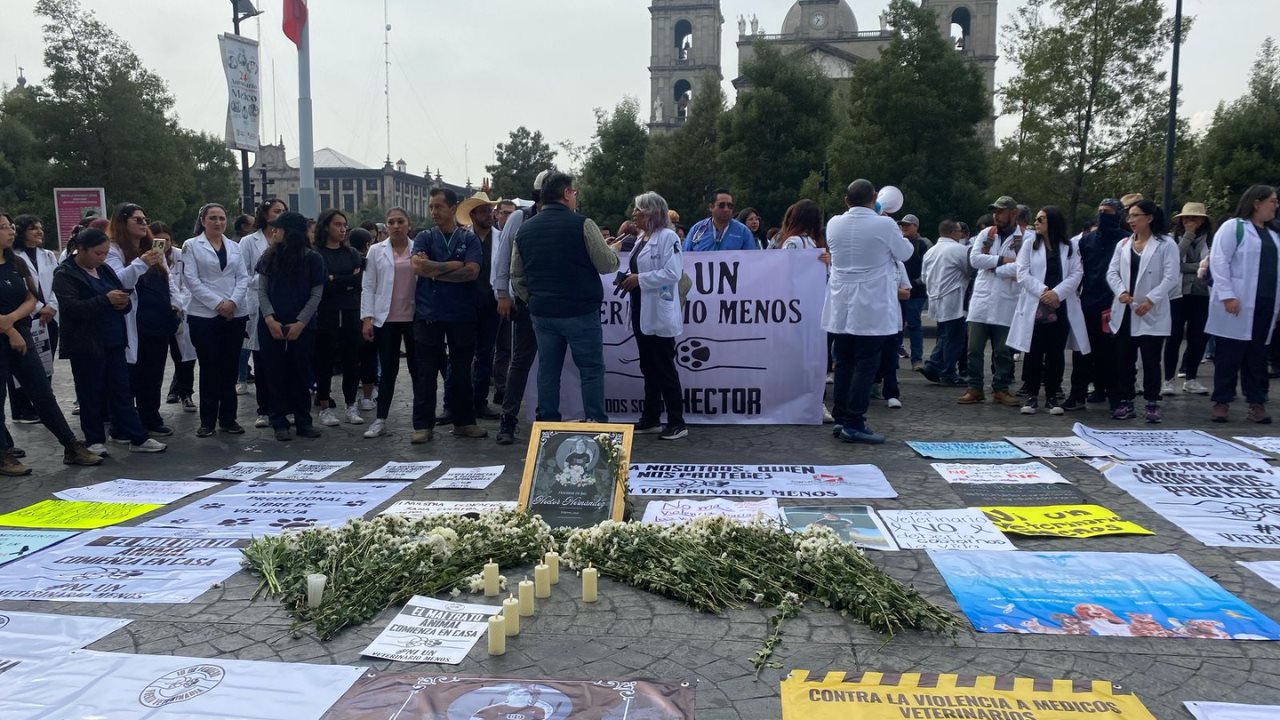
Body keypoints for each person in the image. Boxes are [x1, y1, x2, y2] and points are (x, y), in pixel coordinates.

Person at [511, 172, 619, 423]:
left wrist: (533, 299)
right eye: (574, 192)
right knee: (591, 370)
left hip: (543, 313)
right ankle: (596, 424)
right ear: (566, 194)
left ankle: (548, 424)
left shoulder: (525, 230)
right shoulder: (583, 224)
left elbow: (516, 276)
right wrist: (612, 251)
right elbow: (606, 265)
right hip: (580, 311)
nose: (575, 198)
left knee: (548, 372)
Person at [0, 213, 101, 472]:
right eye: (3, 228)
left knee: (42, 392)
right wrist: (9, 329)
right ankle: (3, 455)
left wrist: (11, 321)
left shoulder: (15, 263)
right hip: (10, 336)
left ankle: (70, 445)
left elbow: (31, 297)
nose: (10, 231)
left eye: (11, 227)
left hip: (22, 334)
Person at [52, 228, 167, 455]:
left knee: (121, 390)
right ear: (81, 249)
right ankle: (94, 439)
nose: (102, 258)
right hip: (86, 343)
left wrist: (124, 303)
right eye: (97, 253)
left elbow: (123, 295)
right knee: (91, 392)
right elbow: (72, 308)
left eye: (105, 253)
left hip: (113, 339)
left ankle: (137, 436)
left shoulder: (104, 270)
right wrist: (105, 300)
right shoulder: (65, 274)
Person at [821, 179, 914, 444]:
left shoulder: (834, 223)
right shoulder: (884, 224)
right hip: (870, 304)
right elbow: (905, 252)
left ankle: (840, 418)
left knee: (843, 363)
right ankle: (854, 422)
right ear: (874, 198)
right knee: (865, 364)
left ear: (845, 200)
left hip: (841, 304)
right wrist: (882, 218)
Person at [411, 188, 488, 441]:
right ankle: (423, 425)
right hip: (428, 312)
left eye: (438, 207)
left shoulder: (469, 239)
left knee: (462, 370)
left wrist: (434, 269)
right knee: (426, 371)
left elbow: (471, 272)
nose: (433, 212)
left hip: (462, 312)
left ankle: (464, 421)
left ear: (453, 209)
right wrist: (453, 266)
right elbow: (418, 268)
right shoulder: (424, 237)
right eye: (431, 206)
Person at [615, 191, 686, 440]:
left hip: (658, 309)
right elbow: (637, 267)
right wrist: (627, 277)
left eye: (639, 210)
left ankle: (677, 421)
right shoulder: (642, 238)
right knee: (648, 365)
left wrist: (640, 280)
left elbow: (673, 273)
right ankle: (651, 417)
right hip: (640, 308)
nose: (634, 214)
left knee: (664, 365)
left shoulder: (668, 237)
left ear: (652, 212)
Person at [1207, 185, 1280, 423]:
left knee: (1257, 355)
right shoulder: (1234, 227)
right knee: (1230, 353)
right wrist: (1227, 295)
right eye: (1272, 201)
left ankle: (1256, 402)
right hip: (1237, 301)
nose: (1276, 205)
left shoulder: (1274, 234)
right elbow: (1219, 261)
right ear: (1256, 203)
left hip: (1266, 302)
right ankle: (1222, 401)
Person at [1008, 206, 1089, 415]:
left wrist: (1057, 294)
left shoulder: (1070, 246)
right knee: (1034, 351)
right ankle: (1032, 395)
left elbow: (1076, 273)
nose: (1036, 222)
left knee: (1055, 353)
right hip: (1036, 304)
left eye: (1041, 219)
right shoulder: (1029, 245)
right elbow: (1022, 273)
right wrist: (1044, 292)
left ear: (1052, 222)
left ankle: (1052, 396)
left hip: (1060, 305)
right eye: (1036, 219)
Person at [106, 203, 178, 437]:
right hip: (133, 322)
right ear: (122, 222)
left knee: (153, 373)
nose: (143, 224)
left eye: (145, 219)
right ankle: (123, 424)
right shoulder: (113, 250)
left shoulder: (152, 247)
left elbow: (169, 281)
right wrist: (141, 263)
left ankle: (151, 417)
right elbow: (120, 280)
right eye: (137, 220)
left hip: (158, 319)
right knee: (130, 376)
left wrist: (176, 305)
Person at [1106, 199, 1179, 422]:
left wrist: (1151, 299)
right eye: (1129, 216)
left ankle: (1151, 402)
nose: (1131, 220)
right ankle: (1126, 401)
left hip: (1151, 310)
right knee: (1125, 360)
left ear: (1149, 218)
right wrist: (1120, 292)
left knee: (1150, 359)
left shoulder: (1166, 244)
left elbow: (1171, 277)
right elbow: (1112, 272)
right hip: (1126, 310)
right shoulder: (1123, 245)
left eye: (1136, 215)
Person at [181, 203, 250, 437]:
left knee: (229, 367)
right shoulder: (191, 246)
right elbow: (191, 280)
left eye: (221, 218)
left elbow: (243, 277)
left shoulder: (234, 246)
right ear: (203, 221)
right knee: (210, 367)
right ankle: (207, 420)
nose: (218, 222)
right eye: (213, 218)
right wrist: (218, 304)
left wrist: (232, 302)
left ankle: (229, 418)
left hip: (234, 313)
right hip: (204, 314)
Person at [257, 212, 326, 441]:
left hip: (302, 325)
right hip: (271, 323)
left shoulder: (312, 258)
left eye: (278, 228)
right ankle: (279, 421)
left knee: (300, 372)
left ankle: (303, 420)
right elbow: (262, 290)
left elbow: (316, 293)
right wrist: (269, 318)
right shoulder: (268, 256)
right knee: (274, 373)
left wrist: (300, 322)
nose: (273, 231)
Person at [492, 172, 548, 446]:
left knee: (551, 363)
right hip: (526, 300)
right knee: (520, 360)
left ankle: (546, 417)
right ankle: (508, 419)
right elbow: (503, 257)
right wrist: (502, 292)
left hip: (556, 302)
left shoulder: (569, 216)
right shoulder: (519, 218)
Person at [961, 196, 1031, 407]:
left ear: (1012, 213)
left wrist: (993, 267)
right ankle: (975, 388)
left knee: (1003, 351)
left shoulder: (1027, 238)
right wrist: (1001, 261)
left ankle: (1001, 388)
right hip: (981, 301)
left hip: (1006, 300)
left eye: (1001, 212)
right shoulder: (986, 233)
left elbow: (1022, 267)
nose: (996, 215)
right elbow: (974, 260)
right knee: (973, 348)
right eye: (995, 211)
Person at [361, 207, 418, 439]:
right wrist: (367, 318)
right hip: (386, 318)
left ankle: (421, 420)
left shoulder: (420, 248)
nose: (396, 226)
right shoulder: (375, 251)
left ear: (408, 224)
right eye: (391, 222)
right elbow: (368, 285)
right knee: (388, 371)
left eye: (400, 221)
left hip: (415, 317)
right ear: (385, 226)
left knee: (419, 370)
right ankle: (380, 418)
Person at [1065, 199, 1128, 410]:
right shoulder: (1087, 240)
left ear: (1118, 214)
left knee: (1110, 353)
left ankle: (1112, 394)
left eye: (1108, 212)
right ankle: (1078, 393)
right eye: (1100, 211)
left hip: (1114, 302)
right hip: (1088, 301)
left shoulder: (1125, 240)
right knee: (1082, 350)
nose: (1102, 215)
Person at [312, 209, 365, 426]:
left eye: (345, 225)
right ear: (326, 227)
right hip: (326, 312)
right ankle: (324, 406)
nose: (343, 229)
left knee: (352, 360)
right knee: (324, 360)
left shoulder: (352, 253)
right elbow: (323, 283)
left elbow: (360, 279)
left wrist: (338, 280)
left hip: (351, 311)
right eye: (337, 224)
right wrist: (346, 280)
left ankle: (351, 405)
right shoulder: (316, 254)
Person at [238, 199, 287, 428]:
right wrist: (267, 276)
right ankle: (263, 409)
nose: (280, 215)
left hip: (284, 304)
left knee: (283, 359)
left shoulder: (287, 239)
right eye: (276, 211)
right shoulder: (249, 241)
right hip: (257, 301)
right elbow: (243, 275)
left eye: (283, 212)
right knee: (261, 358)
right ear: (265, 214)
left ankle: (284, 406)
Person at [8, 215, 58, 425]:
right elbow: (23, 289)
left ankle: (41, 404)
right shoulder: (14, 257)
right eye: (32, 228)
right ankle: (21, 409)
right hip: (28, 316)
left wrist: (52, 306)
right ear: (21, 232)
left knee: (45, 363)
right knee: (21, 364)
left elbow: (57, 282)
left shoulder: (48, 255)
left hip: (50, 316)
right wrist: (39, 308)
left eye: (40, 227)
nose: (39, 232)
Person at [456, 192, 503, 420]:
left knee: (486, 354)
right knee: (460, 355)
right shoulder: (462, 238)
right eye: (484, 211)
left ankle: (480, 402)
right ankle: (452, 403)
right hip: (465, 302)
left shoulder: (501, 238)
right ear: (473, 214)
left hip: (491, 303)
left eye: (490, 210)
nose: (489, 215)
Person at [1169, 202, 1214, 395]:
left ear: (1202, 220)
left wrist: (1190, 267)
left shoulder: (1211, 240)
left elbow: (1211, 264)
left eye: (1194, 218)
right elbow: (1174, 261)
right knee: (1173, 336)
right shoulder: (1172, 239)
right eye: (1186, 218)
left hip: (1202, 294)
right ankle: (1168, 379)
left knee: (1198, 338)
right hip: (1178, 294)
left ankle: (1191, 377)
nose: (1190, 221)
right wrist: (1188, 236)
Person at [920, 220, 971, 386]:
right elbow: (970, 270)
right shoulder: (959, 250)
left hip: (935, 297)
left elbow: (924, 277)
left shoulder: (931, 251)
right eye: (958, 231)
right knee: (954, 337)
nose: (960, 234)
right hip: (953, 298)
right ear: (952, 232)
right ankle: (948, 372)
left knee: (944, 335)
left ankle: (934, 365)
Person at [157, 222, 197, 414]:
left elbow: (188, 282)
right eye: (159, 240)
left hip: (180, 312)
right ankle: (165, 394)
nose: (163, 244)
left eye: (167, 240)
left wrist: (178, 304)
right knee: (156, 358)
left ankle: (186, 393)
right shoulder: (148, 257)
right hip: (156, 314)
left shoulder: (180, 255)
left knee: (184, 356)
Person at [347, 227, 379, 412]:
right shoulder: (367, 261)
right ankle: (368, 396)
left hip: (350, 313)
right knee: (369, 357)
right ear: (368, 244)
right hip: (367, 314)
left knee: (351, 358)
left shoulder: (346, 259)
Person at [897, 214, 930, 370]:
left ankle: (916, 360)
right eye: (902, 225)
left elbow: (928, 266)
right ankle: (893, 359)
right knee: (897, 326)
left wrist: (916, 282)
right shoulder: (897, 242)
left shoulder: (923, 244)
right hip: (899, 291)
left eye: (907, 225)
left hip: (916, 292)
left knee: (913, 324)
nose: (904, 227)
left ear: (916, 226)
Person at [683, 190, 758, 252]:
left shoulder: (743, 232)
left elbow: (751, 260)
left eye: (730, 206)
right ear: (711, 207)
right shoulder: (698, 229)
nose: (726, 209)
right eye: (721, 205)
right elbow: (684, 256)